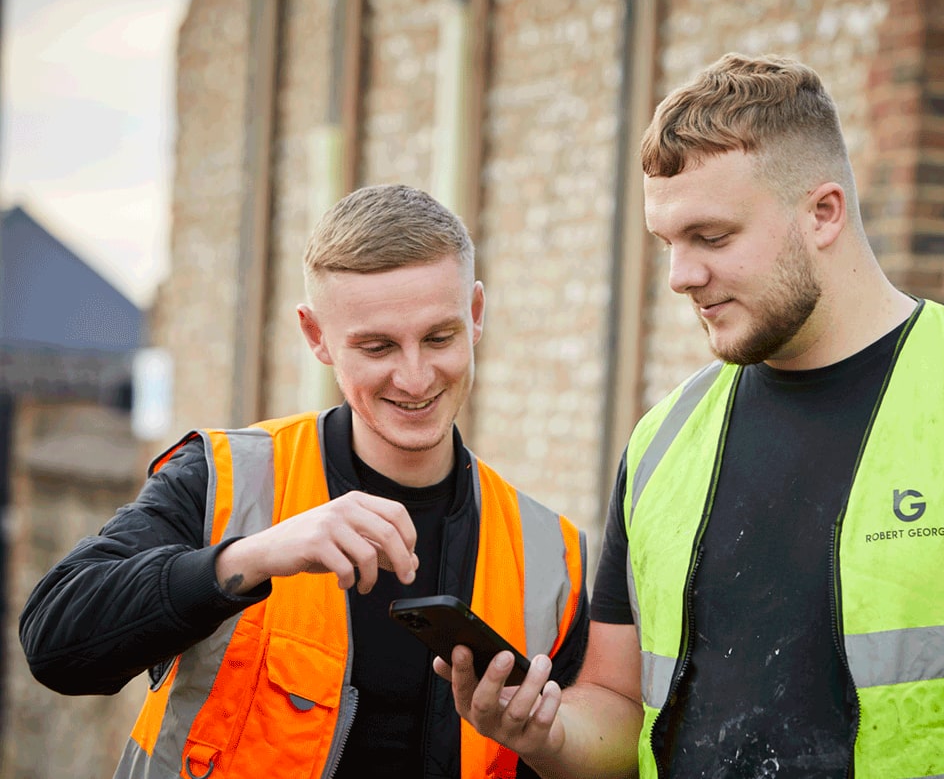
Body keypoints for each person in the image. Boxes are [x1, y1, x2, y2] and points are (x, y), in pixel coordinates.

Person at [438, 53, 944, 778]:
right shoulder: (663, 443)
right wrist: (544, 730)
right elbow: (615, 704)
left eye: (712, 237)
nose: (680, 276)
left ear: (823, 213)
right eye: (669, 242)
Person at [19, 184, 589, 779]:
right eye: (377, 346)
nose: (416, 376)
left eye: (439, 338)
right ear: (315, 336)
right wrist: (251, 557)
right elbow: (56, 645)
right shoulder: (224, 478)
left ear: (475, 315)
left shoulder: (554, 555)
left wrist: (545, 744)